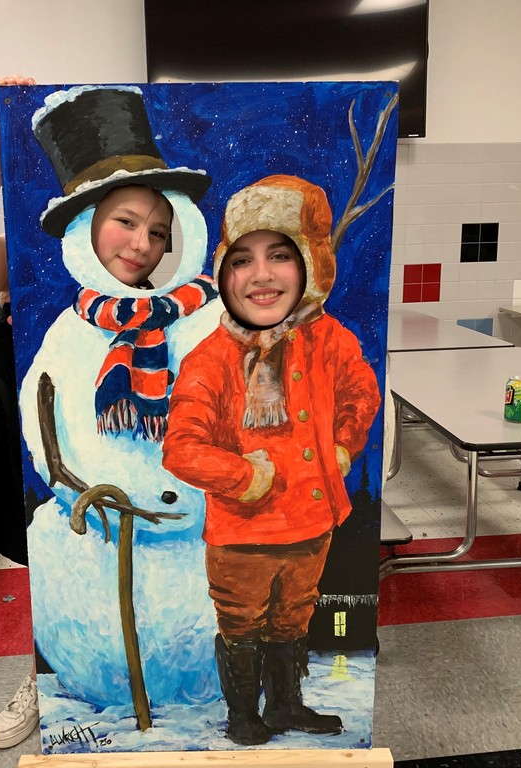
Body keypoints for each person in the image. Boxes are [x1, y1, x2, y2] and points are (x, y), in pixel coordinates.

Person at [0, 77, 175, 750]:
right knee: (55, 584)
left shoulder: (163, 308)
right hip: (34, 456)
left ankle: (128, 683)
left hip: (123, 467)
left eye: (157, 232)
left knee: (132, 586)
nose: (142, 244)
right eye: (126, 221)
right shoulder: (31, 274)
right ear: (87, 215)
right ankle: (48, 678)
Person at [162, 175, 382, 746]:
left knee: (294, 618)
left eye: (280, 255)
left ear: (310, 263)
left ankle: (286, 705)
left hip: (312, 523)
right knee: (243, 624)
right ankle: (243, 715)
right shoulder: (211, 360)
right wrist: (243, 476)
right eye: (243, 260)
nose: (261, 275)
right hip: (242, 534)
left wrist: (342, 444)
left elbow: (362, 392)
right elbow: (181, 449)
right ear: (222, 273)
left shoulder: (328, 339)